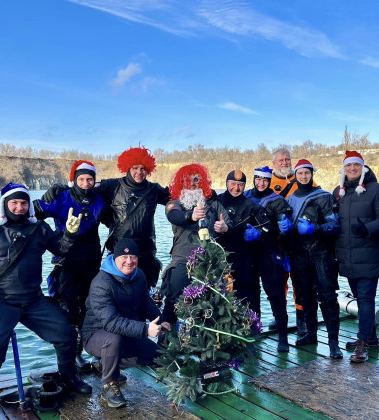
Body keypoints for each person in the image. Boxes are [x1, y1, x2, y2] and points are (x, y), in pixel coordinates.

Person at [0, 182, 91, 420]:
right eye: (14, 203)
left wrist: (71, 234)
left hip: (33, 300)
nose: (20, 208)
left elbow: (61, 249)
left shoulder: (39, 228)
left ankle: (70, 377)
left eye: (24, 203)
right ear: (5, 205)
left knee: (66, 333)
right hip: (1, 301)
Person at [42, 146, 170, 289]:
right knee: (117, 292)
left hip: (145, 251)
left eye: (143, 168)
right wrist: (60, 188)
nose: (139, 172)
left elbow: (174, 198)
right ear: (127, 167)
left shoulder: (154, 189)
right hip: (118, 250)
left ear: (148, 169)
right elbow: (84, 188)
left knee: (144, 292)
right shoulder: (112, 185)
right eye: (135, 168)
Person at [33, 160, 107, 370]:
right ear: (74, 180)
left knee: (90, 307)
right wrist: (46, 196)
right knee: (68, 309)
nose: (85, 183)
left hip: (91, 260)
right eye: (81, 179)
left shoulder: (100, 200)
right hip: (66, 260)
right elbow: (33, 213)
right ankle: (72, 356)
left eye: (89, 179)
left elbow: (116, 217)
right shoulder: (61, 198)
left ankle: (91, 350)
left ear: (94, 181)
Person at [82, 239, 170, 408]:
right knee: (113, 339)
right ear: (115, 258)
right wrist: (145, 330)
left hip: (126, 333)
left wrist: (161, 320)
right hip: (96, 335)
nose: (129, 261)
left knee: (157, 356)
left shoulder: (139, 275)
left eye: (133, 256)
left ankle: (105, 364)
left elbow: (145, 302)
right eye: (124, 256)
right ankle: (109, 385)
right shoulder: (101, 283)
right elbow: (111, 322)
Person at [332, 151, 379, 363]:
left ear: (363, 168)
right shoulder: (338, 192)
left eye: (356, 166)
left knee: (366, 299)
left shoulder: (375, 190)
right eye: (348, 166)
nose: (352, 169)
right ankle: (372, 338)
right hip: (347, 256)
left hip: (369, 254)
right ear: (343, 169)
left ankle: (362, 343)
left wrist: (366, 229)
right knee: (360, 299)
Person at [282, 160, 343, 359]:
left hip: (321, 254)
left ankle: (333, 342)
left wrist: (314, 229)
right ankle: (311, 334)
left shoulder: (324, 197)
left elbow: (335, 227)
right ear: (295, 176)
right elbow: (286, 231)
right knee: (305, 296)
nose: (304, 177)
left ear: (312, 174)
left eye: (307, 173)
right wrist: (284, 239)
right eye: (300, 174)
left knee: (327, 297)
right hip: (299, 255)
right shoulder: (289, 199)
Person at [160, 164, 231, 326]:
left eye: (196, 180)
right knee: (173, 301)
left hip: (209, 262)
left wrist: (225, 228)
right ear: (181, 183)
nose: (192, 184)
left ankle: (208, 344)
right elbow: (174, 216)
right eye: (187, 181)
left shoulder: (214, 204)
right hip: (182, 259)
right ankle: (164, 345)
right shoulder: (175, 203)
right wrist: (190, 216)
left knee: (211, 304)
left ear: (202, 182)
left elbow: (228, 223)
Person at [244, 166, 291, 352]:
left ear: (269, 181)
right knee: (250, 295)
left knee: (275, 295)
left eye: (265, 180)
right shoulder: (245, 195)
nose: (261, 183)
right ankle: (254, 333)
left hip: (269, 252)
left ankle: (283, 337)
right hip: (248, 254)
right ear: (254, 179)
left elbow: (282, 227)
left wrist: (282, 227)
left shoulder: (277, 201)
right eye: (258, 179)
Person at [216, 169, 268, 315]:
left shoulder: (252, 206)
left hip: (245, 260)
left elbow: (267, 229)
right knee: (221, 297)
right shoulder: (216, 202)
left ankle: (253, 330)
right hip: (221, 258)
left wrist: (258, 234)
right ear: (226, 184)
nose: (236, 188)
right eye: (232, 184)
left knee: (248, 298)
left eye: (240, 185)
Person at [270, 147, 308, 336]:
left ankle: (302, 319)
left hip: (297, 239)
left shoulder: (301, 177)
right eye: (281, 160)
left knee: (300, 281)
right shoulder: (267, 182)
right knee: (278, 282)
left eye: (287, 160)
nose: (285, 163)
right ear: (274, 163)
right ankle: (280, 317)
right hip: (275, 240)